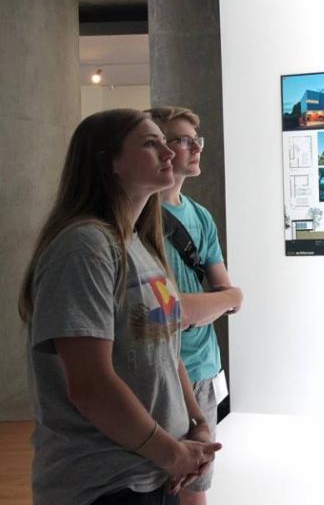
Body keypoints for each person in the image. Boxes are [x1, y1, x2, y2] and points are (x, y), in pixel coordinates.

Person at [19, 108, 221, 505]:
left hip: (154, 472)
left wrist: (197, 422)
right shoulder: (84, 247)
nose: (169, 152)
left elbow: (167, 350)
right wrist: (171, 453)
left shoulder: (139, 245)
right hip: (105, 482)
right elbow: (91, 384)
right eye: (151, 143)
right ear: (109, 162)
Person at [145, 106, 243, 505]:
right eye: (183, 140)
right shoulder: (139, 217)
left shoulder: (199, 216)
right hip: (161, 371)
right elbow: (169, 310)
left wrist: (219, 300)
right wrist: (219, 301)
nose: (196, 148)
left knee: (196, 484)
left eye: (196, 140)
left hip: (204, 366)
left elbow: (230, 295)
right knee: (162, 484)